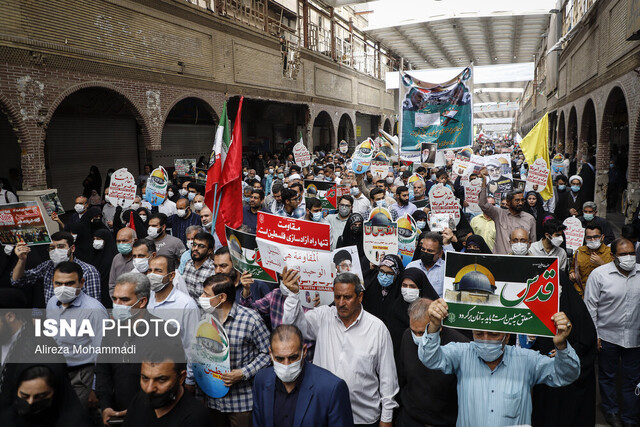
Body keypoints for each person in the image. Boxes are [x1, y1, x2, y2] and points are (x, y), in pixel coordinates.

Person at [417, 298, 580, 427]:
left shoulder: (526, 360)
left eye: (494, 334)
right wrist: (433, 326)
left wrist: (561, 345)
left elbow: (566, 375)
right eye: (479, 334)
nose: (486, 340)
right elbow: (430, 358)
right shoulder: (462, 354)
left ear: (507, 336)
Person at [282, 270, 399, 426]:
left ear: (360, 297)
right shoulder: (323, 316)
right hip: (322, 414)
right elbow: (292, 330)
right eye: (337, 297)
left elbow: (388, 378)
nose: (341, 303)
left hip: (361, 418)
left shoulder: (377, 329)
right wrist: (293, 295)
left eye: (347, 297)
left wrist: (386, 418)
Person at [198, 274, 271, 426]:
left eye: (206, 294)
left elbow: (268, 353)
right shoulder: (204, 318)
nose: (201, 297)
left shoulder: (251, 319)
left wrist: (243, 373)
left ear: (222, 297)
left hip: (241, 402)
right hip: (212, 400)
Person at [529, 271, 597, 427]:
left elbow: (587, 339)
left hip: (573, 381)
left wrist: (566, 351)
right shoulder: (537, 308)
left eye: (557, 286)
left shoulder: (576, 308)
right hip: (547, 378)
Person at [584, 238, 640, 427]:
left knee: (632, 379)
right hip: (607, 336)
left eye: (632, 253)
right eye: (624, 254)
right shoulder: (599, 275)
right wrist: (595, 334)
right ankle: (611, 411)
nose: (629, 258)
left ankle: (630, 417)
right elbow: (590, 307)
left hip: (635, 337)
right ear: (614, 256)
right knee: (608, 376)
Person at [252, 325, 353, 427]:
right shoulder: (261, 380)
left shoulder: (331, 388)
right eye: (280, 359)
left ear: (304, 351)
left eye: (293, 357)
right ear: (271, 353)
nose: (286, 365)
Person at [396, 299, 468, 427]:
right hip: (410, 420)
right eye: (414, 331)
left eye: (422, 332)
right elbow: (403, 378)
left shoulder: (459, 345)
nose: (417, 336)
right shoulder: (407, 337)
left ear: (437, 327)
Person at [46, 261, 108, 408]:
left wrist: (94, 388)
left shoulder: (94, 311)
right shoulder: (52, 302)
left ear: (81, 282)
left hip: (81, 376)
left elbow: (102, 352)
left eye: (69, 283)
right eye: (58, 283)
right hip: (57, 373)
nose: (63, 288)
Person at [123, 350, 210, 426]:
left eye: (161, 380)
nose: (149, 389)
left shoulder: (195, 417)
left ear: (181, 378)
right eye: (145, 378)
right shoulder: (139, 400)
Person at [11, 231, 101, 304]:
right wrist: (22, 260)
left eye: (61, 246)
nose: (56, 251)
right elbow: (17, 280)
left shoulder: (88, 271)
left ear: (72, 248)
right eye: (52, 248)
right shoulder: (47, 266)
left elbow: (93, 306)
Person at [0, 364, 91, 427]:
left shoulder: (76, 422)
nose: (30, 402)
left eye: (40, 397)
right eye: (24, 396)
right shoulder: (6, 420)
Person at [146, 256, 200, 353]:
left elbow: (192, 345)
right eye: (150, 270)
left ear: (171, 276)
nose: (152, 275)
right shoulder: (145, 299)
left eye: (158, 271)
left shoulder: (186, 305)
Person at [479, 167, 536, 254]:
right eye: (517, 200)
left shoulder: (529, 219)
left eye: (522, 200)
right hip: (500, 260)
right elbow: (483, 204)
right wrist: (484, 181)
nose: (520, 203)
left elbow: (533, 243)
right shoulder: (499, 214)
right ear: (508, 202)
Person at [385, 268, 438, 360]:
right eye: (404, 285)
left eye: (413, 287)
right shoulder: (394, 307)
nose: (407, 290)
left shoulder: (432, 310)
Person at [362, 254, 404, 330]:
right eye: (382, 271)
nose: (384, 276)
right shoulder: (370, 286)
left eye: (389, 273)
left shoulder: (400, 294)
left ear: (396, 274)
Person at [571, 223, 614, 296]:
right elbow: (573, 268)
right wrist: (572, 275)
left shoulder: (610, 253)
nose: (592, 240)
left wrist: (602, 264)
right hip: (581, 294)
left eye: (596, 237)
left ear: (602, 237)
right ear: (585, 238)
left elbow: (615, 277)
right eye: (589, 237)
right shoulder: (579, 251)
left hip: (601, 294)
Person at [407, 232, 447, 297]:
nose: (425, 252)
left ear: (440, 254)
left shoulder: (445, 269)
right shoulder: (412, 266)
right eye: (423, 249)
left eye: (429, 251)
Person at [182, 231, 216, 300]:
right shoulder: (188, 264)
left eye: (201, 246)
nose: (195, 248)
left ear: (209, 251)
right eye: (194, 245)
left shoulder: (213, 270)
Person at [89, 228, 118, 308]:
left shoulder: (113, 256)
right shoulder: (93, 254)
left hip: (109, 294)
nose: (95, 241)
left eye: (98, 239)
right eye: (94, 239)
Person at [109, 227, 137, 294]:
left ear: (135, 241)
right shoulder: (116, 258)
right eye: (118, 241)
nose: (121, 244)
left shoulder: (140, 259)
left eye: (125, 241)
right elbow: (112, 285)